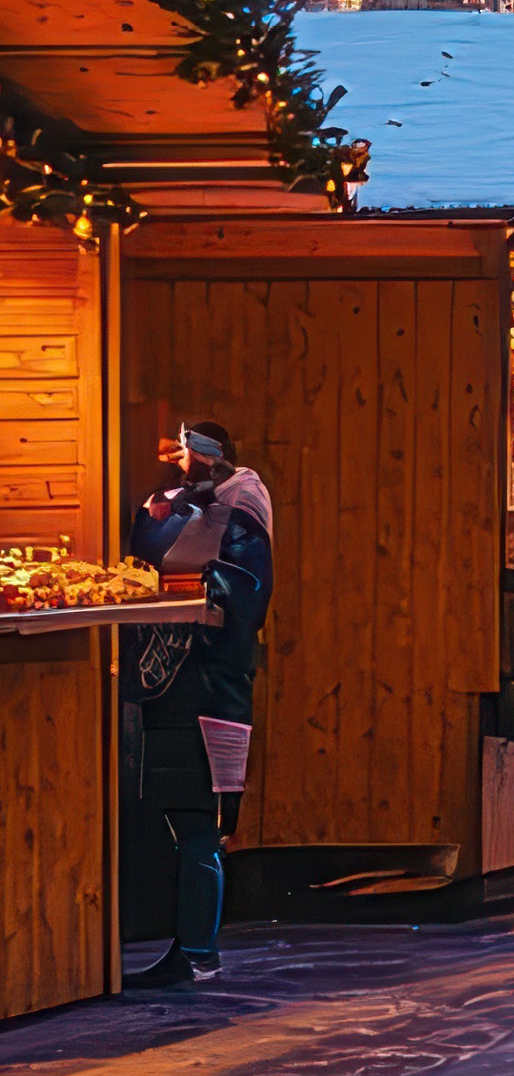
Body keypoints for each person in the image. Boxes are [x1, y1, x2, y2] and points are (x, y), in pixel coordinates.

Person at [122, 423, 271, 989]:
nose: (180, 462)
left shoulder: (243, 496)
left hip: (210, 676)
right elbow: (148, 551)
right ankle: (189, 945)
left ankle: (199, 949)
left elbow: (244, 585)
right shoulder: (180, 499)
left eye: (189, 452)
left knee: (200, 823)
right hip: (173, 677)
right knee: (180, 813)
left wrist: (200, 584)